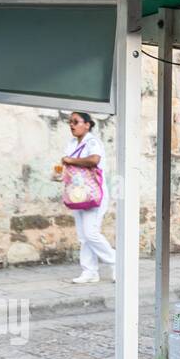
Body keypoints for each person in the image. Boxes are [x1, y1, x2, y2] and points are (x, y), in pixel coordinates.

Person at [58, 111, 116, 284]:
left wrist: (70, 160)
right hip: (77, 194)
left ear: (87, 124)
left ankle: (117, 262)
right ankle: (90, 271)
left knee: (91, 233)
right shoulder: (71, 143)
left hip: (94, 194)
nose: (72, 125)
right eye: (70, 122)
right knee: (83, 236)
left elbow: (94, 160)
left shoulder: (92, 141)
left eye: (76, 122)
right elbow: (69, 165)